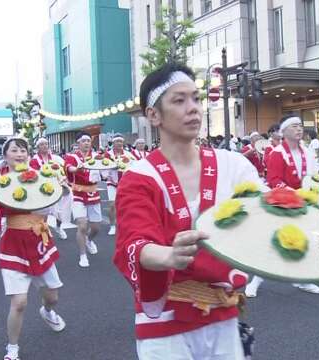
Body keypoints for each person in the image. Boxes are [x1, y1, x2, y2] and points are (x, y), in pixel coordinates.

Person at [113, 63, 264, 359]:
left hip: (223, 313)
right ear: (153, 115)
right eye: (179, 100)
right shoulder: (139, 176)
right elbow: (134, 243)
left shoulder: (234, 166)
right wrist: (169, 255)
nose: (193, 108)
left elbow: (262, 215)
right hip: (165, 319)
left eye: (196, 98)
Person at [0, 138, 67, 360]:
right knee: (19, 303)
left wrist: (63, 191)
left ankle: (47, 311)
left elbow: (56, 205)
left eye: (23, 150)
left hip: (39, 242)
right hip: (14, 245)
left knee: (53, 297)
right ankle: (12, 348)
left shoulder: (42, 177)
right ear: (6, 155)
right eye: (14, 150)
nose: (19, 154)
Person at [245, 115, 319, 296]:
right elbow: (274, 180)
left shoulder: (308, 152)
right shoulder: (277, 153)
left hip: (305, 202)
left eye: (300, 126)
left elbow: (314, 176)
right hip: (283, 201)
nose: (299, 129)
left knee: (305, 240)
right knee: (273, 243)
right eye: (295, 126)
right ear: (284, 131)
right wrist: (294, 192)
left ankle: (302, 279)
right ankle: (255, 281)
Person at [64, 132, 102, 267]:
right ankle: (83, 255)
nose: (86, 143)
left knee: (96, 228)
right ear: (78, 143)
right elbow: (70, 168)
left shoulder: (97, 156)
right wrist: (77, 169)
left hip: (93, 193)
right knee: (82, 225)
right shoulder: (72, 156)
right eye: (84, 141)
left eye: (88, 141)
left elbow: (105, 169)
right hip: (77, 193)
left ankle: (89, 240)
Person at [30, 137, 69, 240]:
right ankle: (44, 233)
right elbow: (34, 174)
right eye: (42, 144)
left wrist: (63, 178)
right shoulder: (34, 160)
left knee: (60, 213)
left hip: (57, 187)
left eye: (46, 144)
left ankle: (58, 227)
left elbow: (64, 169)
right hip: (43, 190)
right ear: (38, 147)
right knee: (44, 214)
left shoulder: (56, 158)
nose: (44, 146)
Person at [104, 133, 135, 236]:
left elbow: (134, 165)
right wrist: (110, 170)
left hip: (124, 183)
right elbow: (104, 167)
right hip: (112, 182)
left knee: (126, 205)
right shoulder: (108, 154)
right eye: (117, 141)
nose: (119, 143)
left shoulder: (128, 154)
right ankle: (112, 226)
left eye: (121, 141)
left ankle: (126, 225)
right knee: (112, 205)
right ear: (113, 142)